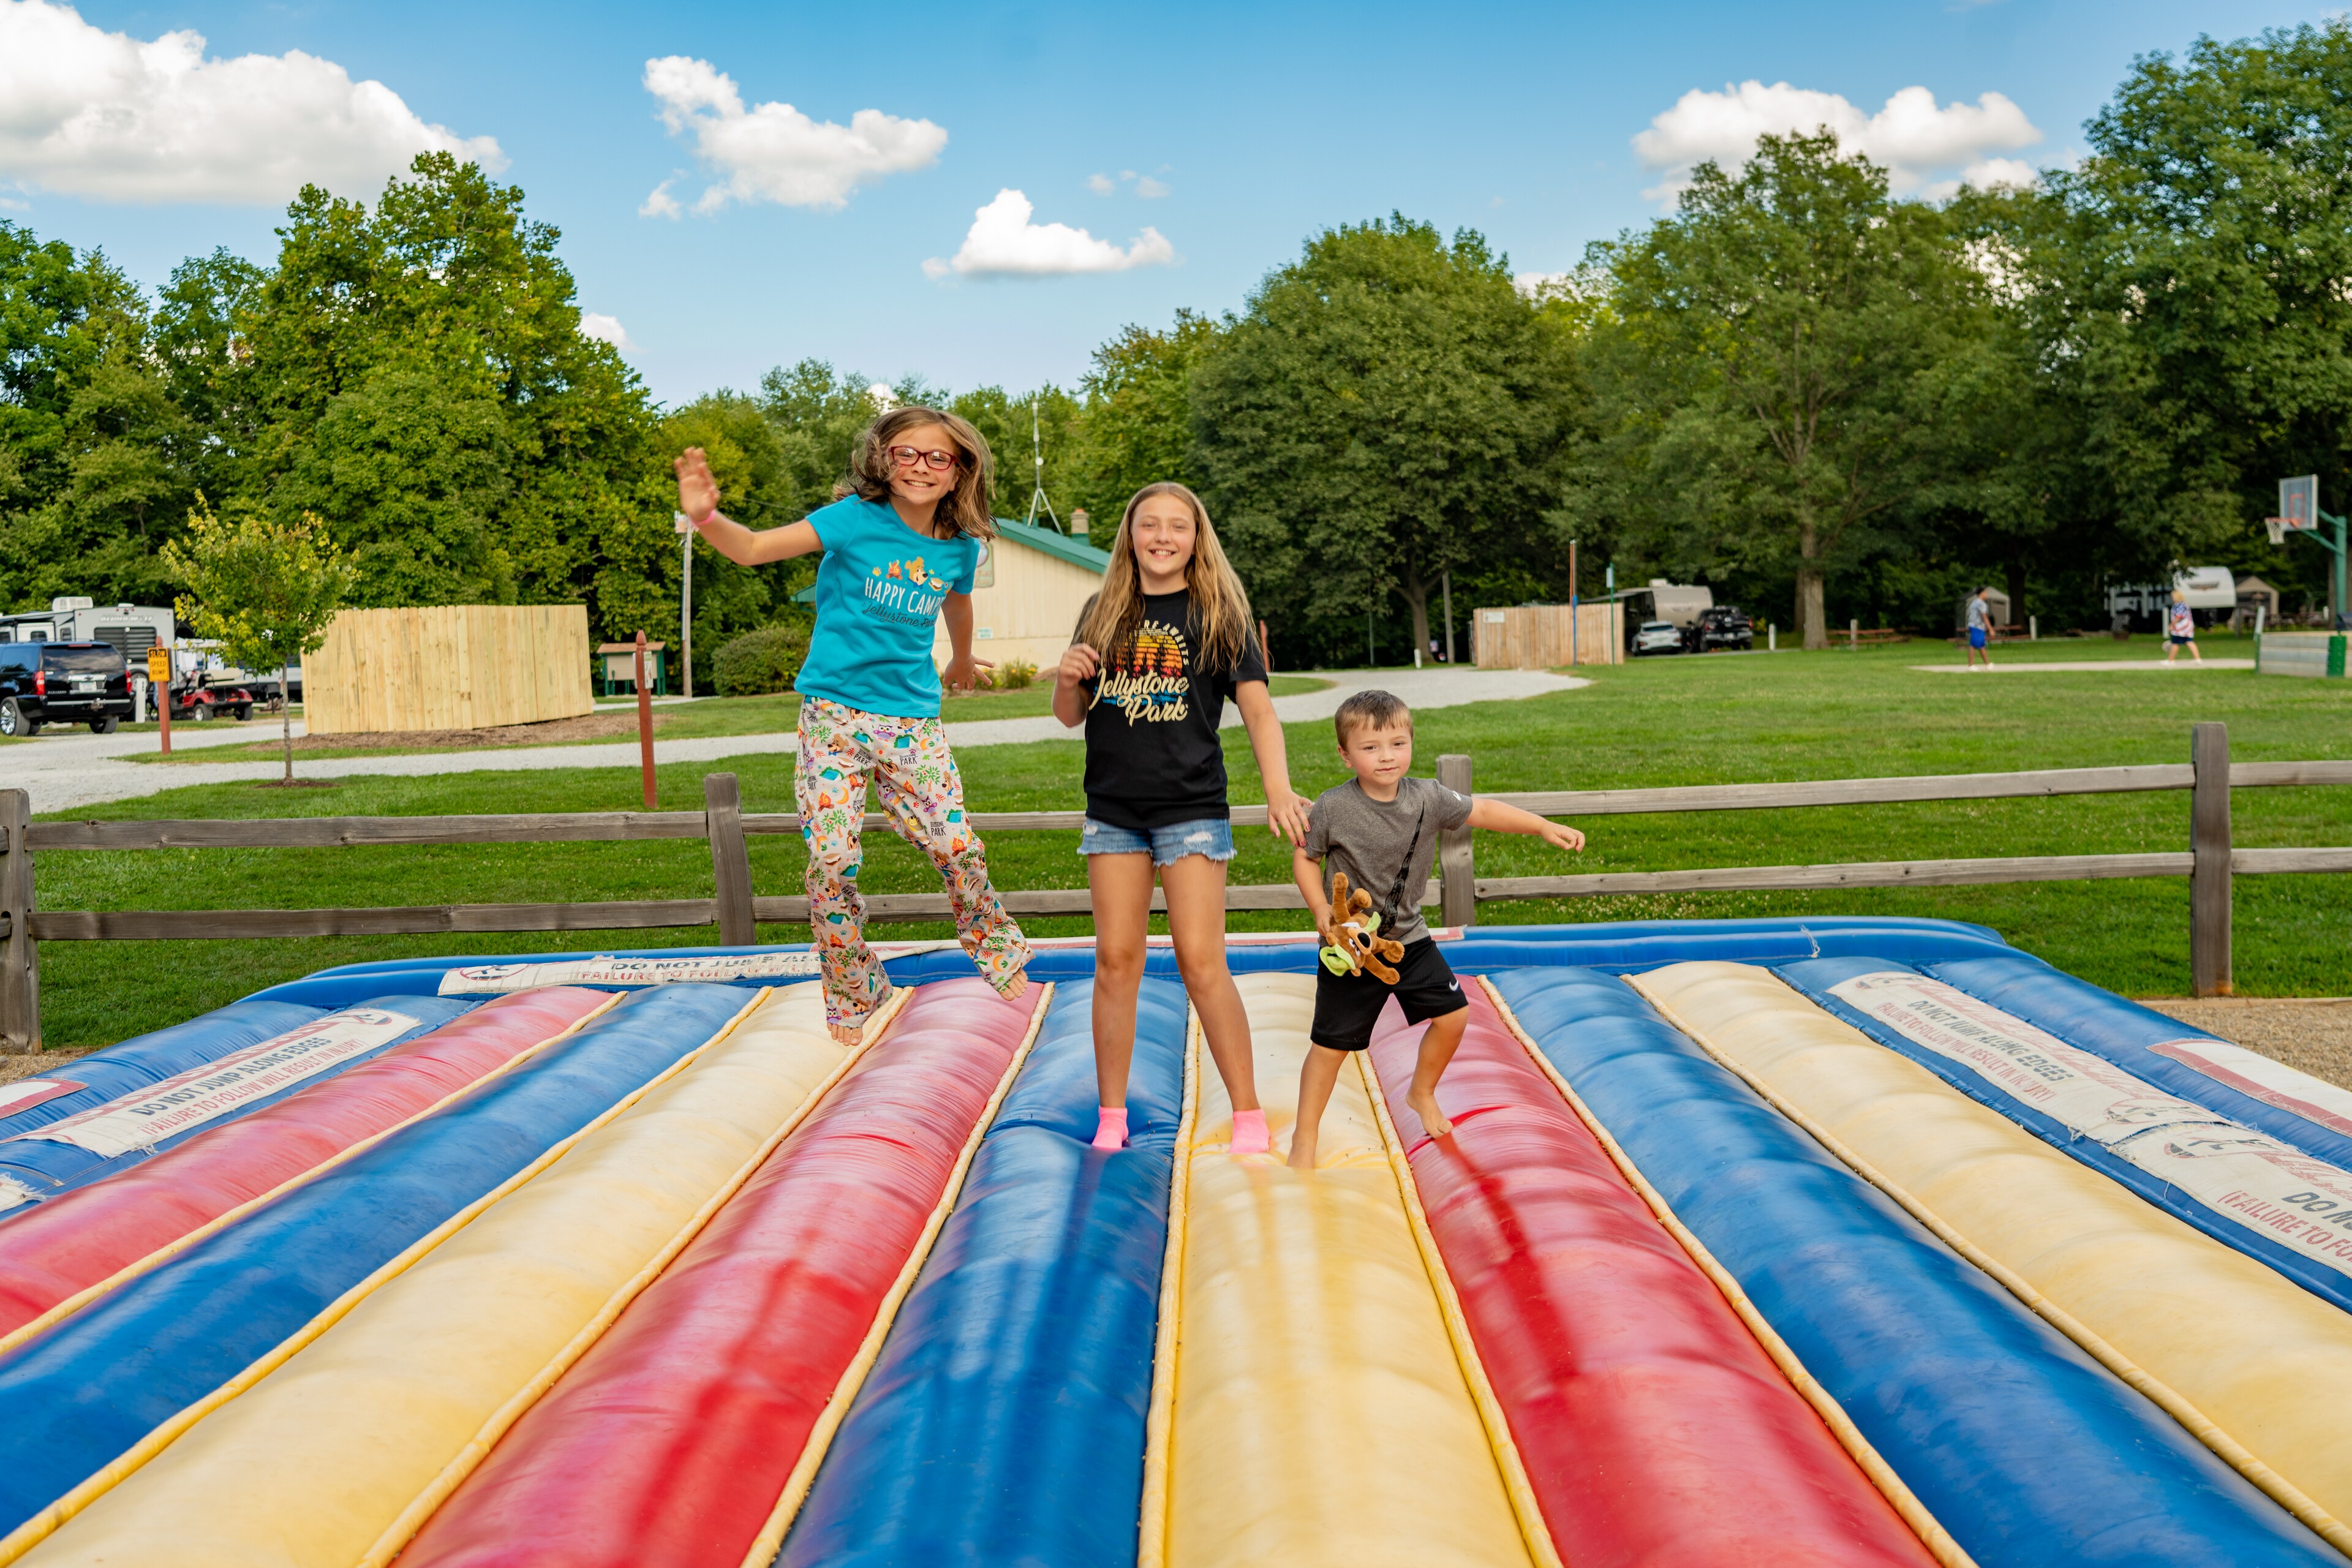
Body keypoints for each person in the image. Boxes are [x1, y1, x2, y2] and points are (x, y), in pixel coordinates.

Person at [674, 410, 1030, 1046]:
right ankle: (853, 986)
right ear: (884, 460)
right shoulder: (853, 521)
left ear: (958, 474)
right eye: (907, 453)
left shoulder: (958, 548)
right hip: (834, 717)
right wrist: (705, 517)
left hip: (912, 722)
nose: (921, 466)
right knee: (831, 859)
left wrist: (962, 656)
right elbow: (754, 550)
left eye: (937, 457)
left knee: (956, 846)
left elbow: (958, 599)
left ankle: (994, 945)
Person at [1054, 483, 1310, 1154]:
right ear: (1130, 534)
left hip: (1191, 807)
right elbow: (1071, 713)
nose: (1163, 537)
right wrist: (1065, 678)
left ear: (1198, 537)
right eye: (1149, 525)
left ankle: (1249, 1115)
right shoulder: (1102, 609)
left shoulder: (1220, 611)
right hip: (1114, 811)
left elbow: (1258, 711)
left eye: (1178, 526)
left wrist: (1278, 789)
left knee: (1202, 961)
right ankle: (1113, 1117)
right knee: (1116, 960)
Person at [1287, 690, 1587, 1170]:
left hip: (1410, 938)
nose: (1386, 756)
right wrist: (1321, 908)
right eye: (1370, 747)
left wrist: (1540, 826)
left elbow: (1482, 810)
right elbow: (1306, 859)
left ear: (1410, 744)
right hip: (1355, 949)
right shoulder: (1333, 807)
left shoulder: (1427, 798)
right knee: (1330, 1047)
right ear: (1344, 753)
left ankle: (1421, 1092)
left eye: (1397, 743)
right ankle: (1304, 1138)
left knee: (1453, 1017)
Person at [2165, 589, 2204, 664]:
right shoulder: (2184, 605)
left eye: (2173, 597)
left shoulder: (2179, 605)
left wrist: (2172, 625)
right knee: (2189, 641)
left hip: (2181, 628)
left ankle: (2171, 660)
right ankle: (2197, 659)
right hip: (2188, 628)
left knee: (2175, 643)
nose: (2172, 598)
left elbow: (2178, 616)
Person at [1964, 587, 1996, 669]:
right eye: (1985, 592)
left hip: (1975, 626)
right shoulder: (1981, 604)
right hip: (1977, 626)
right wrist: (1991, 629)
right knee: (1973, 645)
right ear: (1981, 593)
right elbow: (1984, 617)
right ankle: (1971, 665)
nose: (1986, 594)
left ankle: (1987, 664)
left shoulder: (1974, 602)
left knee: (1981, 645)